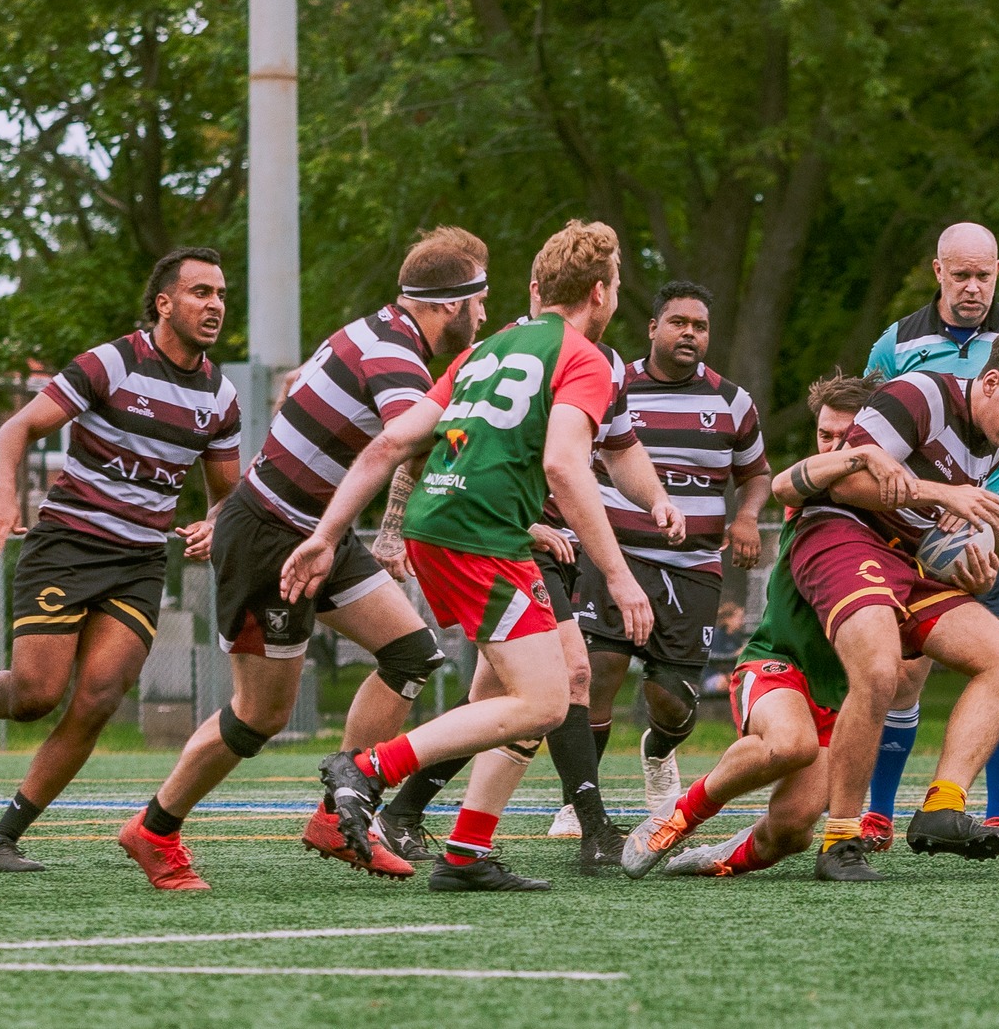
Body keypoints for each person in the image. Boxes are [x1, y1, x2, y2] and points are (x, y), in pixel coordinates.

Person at [282, 219, 654, 893]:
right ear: (600, 292)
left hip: (444, 523)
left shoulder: (486, 349)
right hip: (480, 536)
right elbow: (564, 466)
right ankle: (367, 772)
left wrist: (327, 533)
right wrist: (622, 577)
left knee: (529, 685)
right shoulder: (587, 358)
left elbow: (391, 444)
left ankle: (464, 853)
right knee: (545, 702)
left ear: (539, 287)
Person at [115, 228, 488, 890]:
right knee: (260, 714)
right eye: (480, 302)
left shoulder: (378, 333)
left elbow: (368, 425)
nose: (483, 316)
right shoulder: (395, 357)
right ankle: (154, 828)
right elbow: (415, 444)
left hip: (318, 532)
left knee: (411, 654)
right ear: (451, 304)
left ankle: (340, 811)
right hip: (271, 539)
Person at [0, 249, 241, 873]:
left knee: (97, 700)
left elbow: (226, 494)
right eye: (200, 292)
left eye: (221, 295)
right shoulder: (111, 363)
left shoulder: (221, 396)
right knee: (36, 695)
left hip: (140, 563)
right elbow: (15, 429)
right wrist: (3, 494)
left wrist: (214, 523)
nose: (215, 305)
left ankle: (2, 838)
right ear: (164, 303)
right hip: (67, 547)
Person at [370, 278, 682, 875]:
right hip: (504, 541)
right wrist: (392, 526)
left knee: (506, 697)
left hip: (532, 541)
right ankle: (589, 827)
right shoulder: (511, 348)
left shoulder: (598, 361)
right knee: (564, 678)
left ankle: (426, 825)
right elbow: (433, 443)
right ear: (598, 291)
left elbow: (620, 449)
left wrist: (656, 498)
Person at [792, 330, 999, 880]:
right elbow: (844, 485)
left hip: (907, 557)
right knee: (880, 672)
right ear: (991, 382)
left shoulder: (992, 439)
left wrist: (975, 563)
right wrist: (942, 494)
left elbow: (949, 523)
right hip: (841, 534)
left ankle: (943, 807)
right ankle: (840, 840)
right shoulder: (919, 393)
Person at [621, 370, 915, 878]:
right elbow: (792, 481)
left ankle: (718, 858)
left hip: (841, 698)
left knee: (794, 830)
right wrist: (860, 457)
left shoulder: (904, 515)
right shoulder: (815, 489)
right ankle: (679, 816)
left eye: (847, 437)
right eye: (824, 435)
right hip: (779, 662)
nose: (833, 447)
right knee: (790, 744)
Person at [862, 222, 999, 853]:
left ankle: (998, 814)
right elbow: (869, 431)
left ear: (998, 271)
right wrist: (928, 496)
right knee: (904, 675)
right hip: (927, 523)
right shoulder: (897, 344)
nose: (973, 287)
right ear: (938, 272)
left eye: (984, 275)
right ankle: (877, 814)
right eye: (961, 275)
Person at [569, 280, 770, 818]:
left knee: (673, 700)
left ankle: (658, 752)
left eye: (700, 326)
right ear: (653, 327)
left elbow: (756, 474)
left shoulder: (733, 401)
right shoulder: (612, 385)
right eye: (678, 323)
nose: (690, 334)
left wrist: (747, 517)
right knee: (596, 670)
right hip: (614, 557)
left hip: (693, 566)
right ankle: (579, 799)